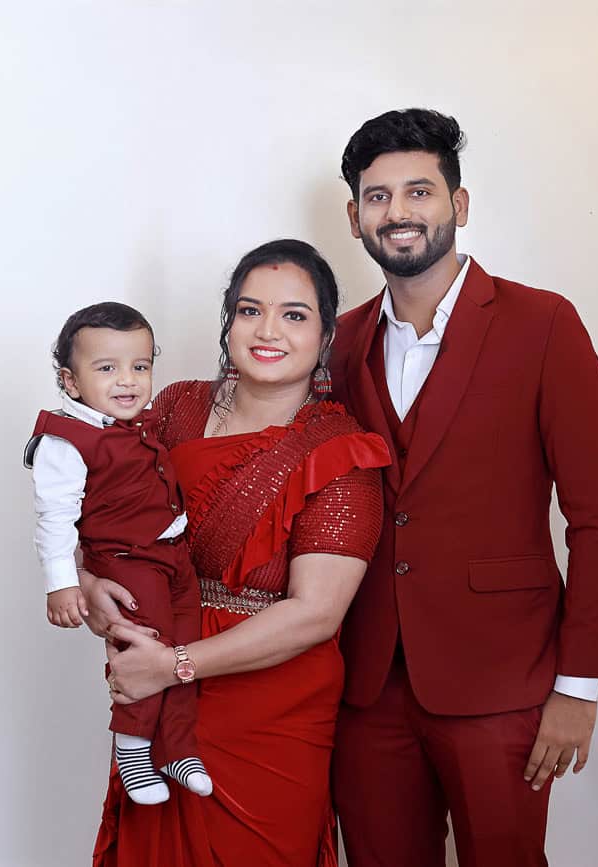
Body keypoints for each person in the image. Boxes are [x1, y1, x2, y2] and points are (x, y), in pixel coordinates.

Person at [329, 108, 598, 867]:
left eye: (418, 191)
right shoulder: (340, 342)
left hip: (504, 678)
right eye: (377, 197)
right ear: (355, 216)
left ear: (458, 206)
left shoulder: (543, 325)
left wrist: (579, 687)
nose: (397, 213)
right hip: (365, 683)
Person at [82, 239, 393, 866]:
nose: (268, 330)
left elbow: (316, 614)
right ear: (228, 323)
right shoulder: (172, 410)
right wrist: (90, 585)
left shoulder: (341, 450)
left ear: (326, 334)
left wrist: (174, 665)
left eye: (295, 315)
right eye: (250, 310)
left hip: (271, 709)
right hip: (159, 697)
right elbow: (101, 518)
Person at [25, 302, 211, 805]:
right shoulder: (66, 441)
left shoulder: (135, 422)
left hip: (172, 557)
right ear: (70, 380)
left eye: (140, 366)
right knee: (144, 645)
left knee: (183, 648)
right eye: (106, 369)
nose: (127, 381)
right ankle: (132, 745)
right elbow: (56, 518)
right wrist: (63, 583)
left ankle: (176, 746)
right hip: (126, 562)